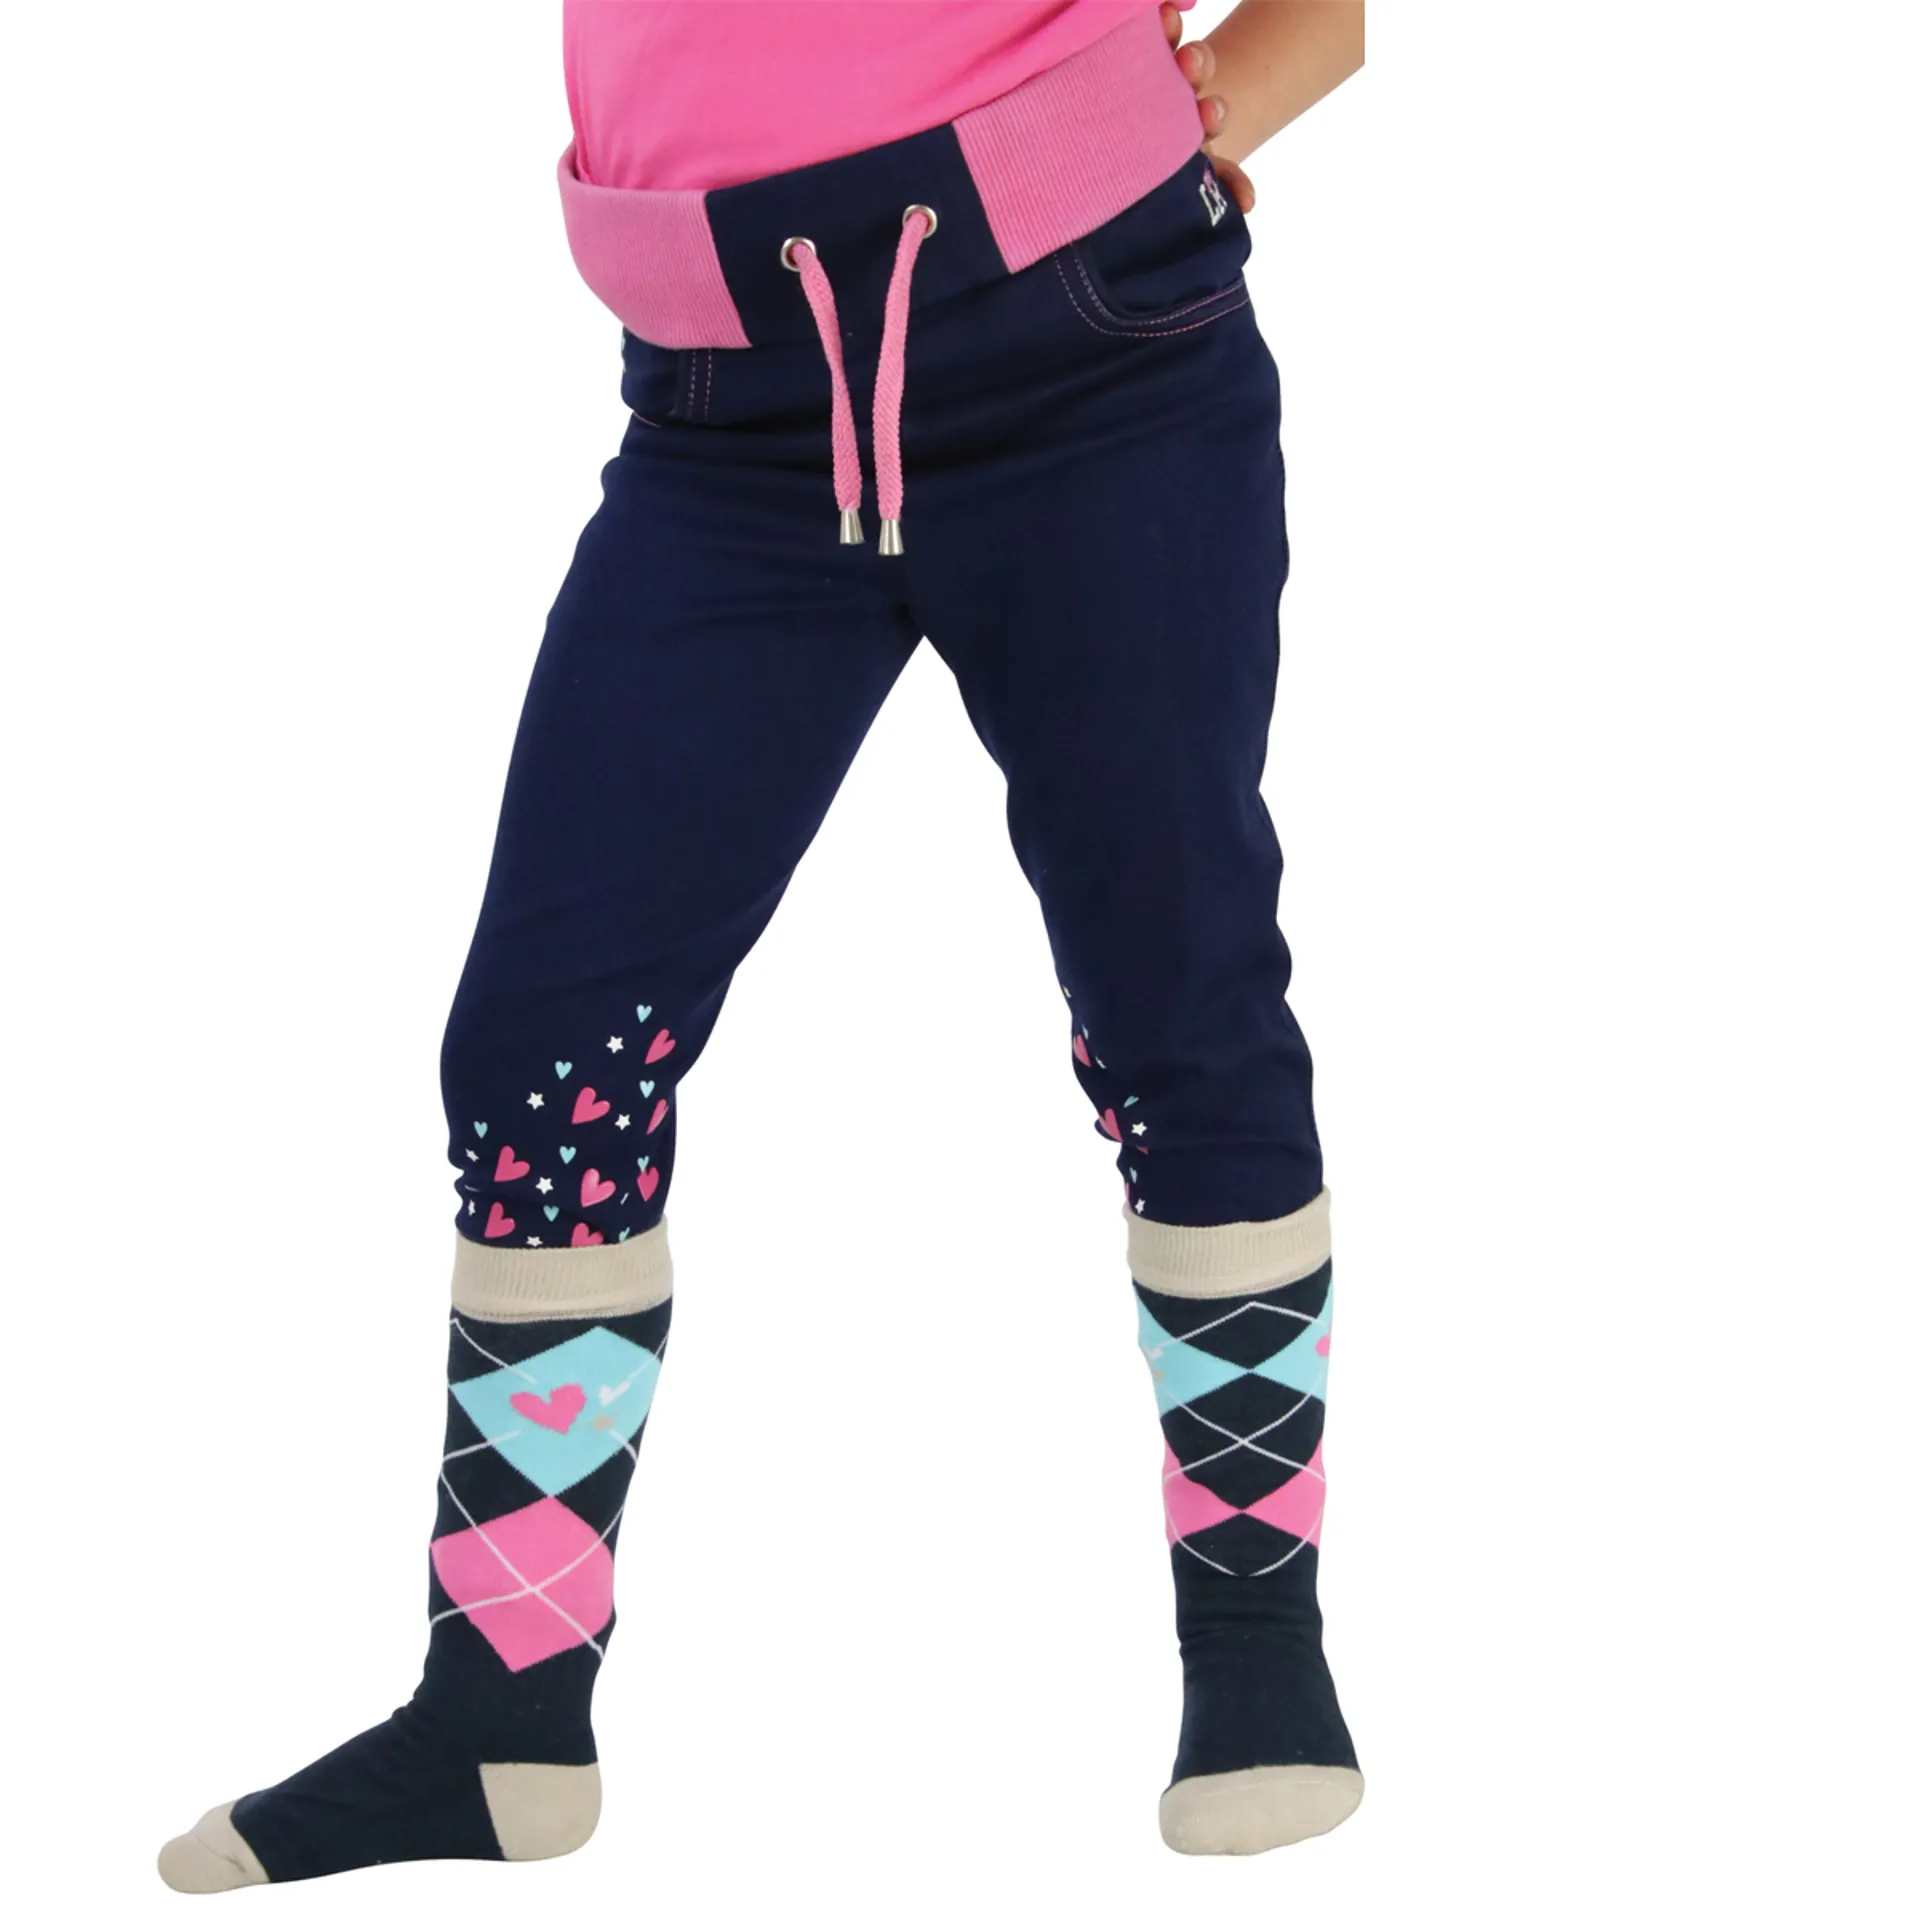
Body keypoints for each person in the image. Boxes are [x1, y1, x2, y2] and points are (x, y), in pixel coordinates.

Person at [157, 1, 1367, 1890]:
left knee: (1174, 999)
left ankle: (1259, 1651)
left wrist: (1213, 93)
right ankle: (500, 1718)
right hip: (720, 417)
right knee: (544, 1048)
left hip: (1093, 364)